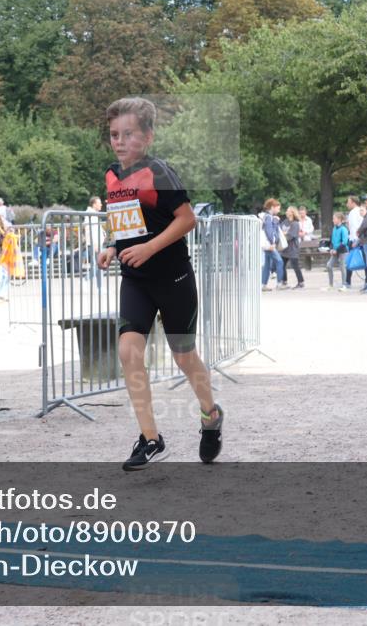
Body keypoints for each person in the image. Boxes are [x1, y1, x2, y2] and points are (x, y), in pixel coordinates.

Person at [95, 96, 221, 471]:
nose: (120, 141)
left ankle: (210, 415)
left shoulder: (159, 173)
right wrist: (110, 246)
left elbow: (186, 220)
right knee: (129, 352)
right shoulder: (112, 175)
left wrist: (149, 247)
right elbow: (120, 219)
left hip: (173, 277)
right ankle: (150, 438)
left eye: (129, 134)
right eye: (115, 134)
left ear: (147, 138)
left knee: (184, 356)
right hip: (136, 280)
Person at [260, 198, 286, 291]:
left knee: (267, 265)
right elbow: (269, 231)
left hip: (267, 244)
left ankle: (263, 285)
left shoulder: (266, 216)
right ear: (272, 207)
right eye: (278, 208)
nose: (279, 210)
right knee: (279, 261)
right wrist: (272, 243)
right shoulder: (269, 217)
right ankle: (279, 284)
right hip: (269, 244)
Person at [84, 196, 105, 287]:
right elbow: (90, 231)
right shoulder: (91, 215)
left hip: (96, 243)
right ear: (94, 204)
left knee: (99, 265)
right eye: (99, 203)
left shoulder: (93, 214)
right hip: (95, 243)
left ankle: (100, 287)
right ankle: (85, 279)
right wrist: (95, 243)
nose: (101, 204)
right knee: (97, 265)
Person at [280, 206, 304, 288]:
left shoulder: (295, 224)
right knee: (282, 265)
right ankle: (284, 282)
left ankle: (301, 282)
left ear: (292, 213)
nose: (286, 212)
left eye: (288, 211)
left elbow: (290, 236)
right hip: (284, 249)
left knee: (295, 266)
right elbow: (279, 231)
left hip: (293, 248)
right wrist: (283, 233)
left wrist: (284, 234)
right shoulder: (284, 222)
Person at [324, 212, 349, 291]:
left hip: (342, 251)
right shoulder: (334, 228)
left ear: (339, 219)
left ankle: (344, 285)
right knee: (329, 265)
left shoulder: (344, 229)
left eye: (334, 218)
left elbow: (344, 242)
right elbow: (332, 240)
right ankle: (331, 285)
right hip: (335, 251)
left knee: (342, 267)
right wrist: (331, 249)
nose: (333, 220)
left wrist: (336, 250)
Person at [343, 195, 363, 288]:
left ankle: (347, 282)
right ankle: (348, 281)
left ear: (353, 203)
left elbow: (355, 227)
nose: (347, 204)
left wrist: (355, 240)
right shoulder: (360, 210)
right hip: (359, 238)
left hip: (354, 239)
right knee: (364, 259)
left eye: (348, 202)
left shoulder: (353, 212)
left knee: (349, 260)